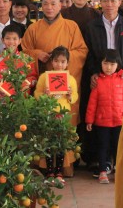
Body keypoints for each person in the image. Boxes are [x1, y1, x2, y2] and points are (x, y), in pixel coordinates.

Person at [81, 0, 123, 174]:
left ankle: (118, 163)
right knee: (100, 121)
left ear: (120, 2)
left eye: (113, 1)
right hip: (99, 81)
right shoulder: (92, 26)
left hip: (120, 81)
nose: (109, 5)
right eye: (105, 0)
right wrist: (93, 72)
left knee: (119, 123)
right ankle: (101, 162)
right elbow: (87, 53)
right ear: (100, 2)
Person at [21, 0, 88, 125]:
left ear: (59, 6)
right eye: (45, 4)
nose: (49, 7)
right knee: (44, 124)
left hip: (64, 88)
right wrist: (37, 54)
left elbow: (82, 51)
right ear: (41, 6)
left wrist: (63, 57)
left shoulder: (71, 26)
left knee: (65, 124)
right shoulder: (33, 28)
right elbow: (24, 52)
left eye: (53, 4)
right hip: (44, 85)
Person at [85, 49, 123, 185]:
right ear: (101, 64)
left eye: (112, 64)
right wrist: (89, 120)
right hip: (102, 122)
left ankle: (118, 171)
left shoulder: (122, 80)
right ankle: (102, 171)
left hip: (119, 121)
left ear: (118, 65)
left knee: (118, 147)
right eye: (105, 64)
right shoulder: (97, 81)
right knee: (102, 147)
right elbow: (92, 103)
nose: (108, 67)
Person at [34, 46, 78, 186]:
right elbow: (37, 94)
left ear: (67, 63)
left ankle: (59, 172)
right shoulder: (44, 77)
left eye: (63, 62)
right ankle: (49, 172)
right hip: (48, 113)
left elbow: (75, 97)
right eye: (56, 61)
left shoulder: (70, 79)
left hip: (63, 115)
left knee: (60, 144)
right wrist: (45, 95)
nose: (59, 65)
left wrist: (70, 95)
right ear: (52, 62)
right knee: (48, 143)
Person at [0, 24, 37, 96]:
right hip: (1, 99)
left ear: (20, 41)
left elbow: (34, 78)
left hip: (22, 99)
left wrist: (26, 83)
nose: (11, 42)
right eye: (7, 38)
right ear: (2, 40)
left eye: (14, 39)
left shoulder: (26, 59)